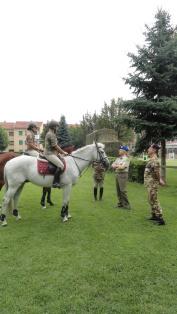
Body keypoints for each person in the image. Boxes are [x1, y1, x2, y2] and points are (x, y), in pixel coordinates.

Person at [144, 144, 165, 225]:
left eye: (149, 149)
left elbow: (156, 172)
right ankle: (154, 215)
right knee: (150, 199)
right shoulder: (151, 159)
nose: (148, 150)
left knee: (154, 200)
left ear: (154, 150)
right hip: (150, 183)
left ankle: (160, 219)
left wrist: (160, 180)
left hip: (153, 183)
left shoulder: (154, 160)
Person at [44, 120, 68, 188]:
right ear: (53, 127)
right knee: (61, 166)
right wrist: (63, 152)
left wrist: (59, 154)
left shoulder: (52, 133)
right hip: (49, 154)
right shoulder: (51, 134)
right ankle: (55, 182)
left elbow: (54, 146)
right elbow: (55, 146)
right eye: (57, 126)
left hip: (52, 153)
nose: (57, 128)